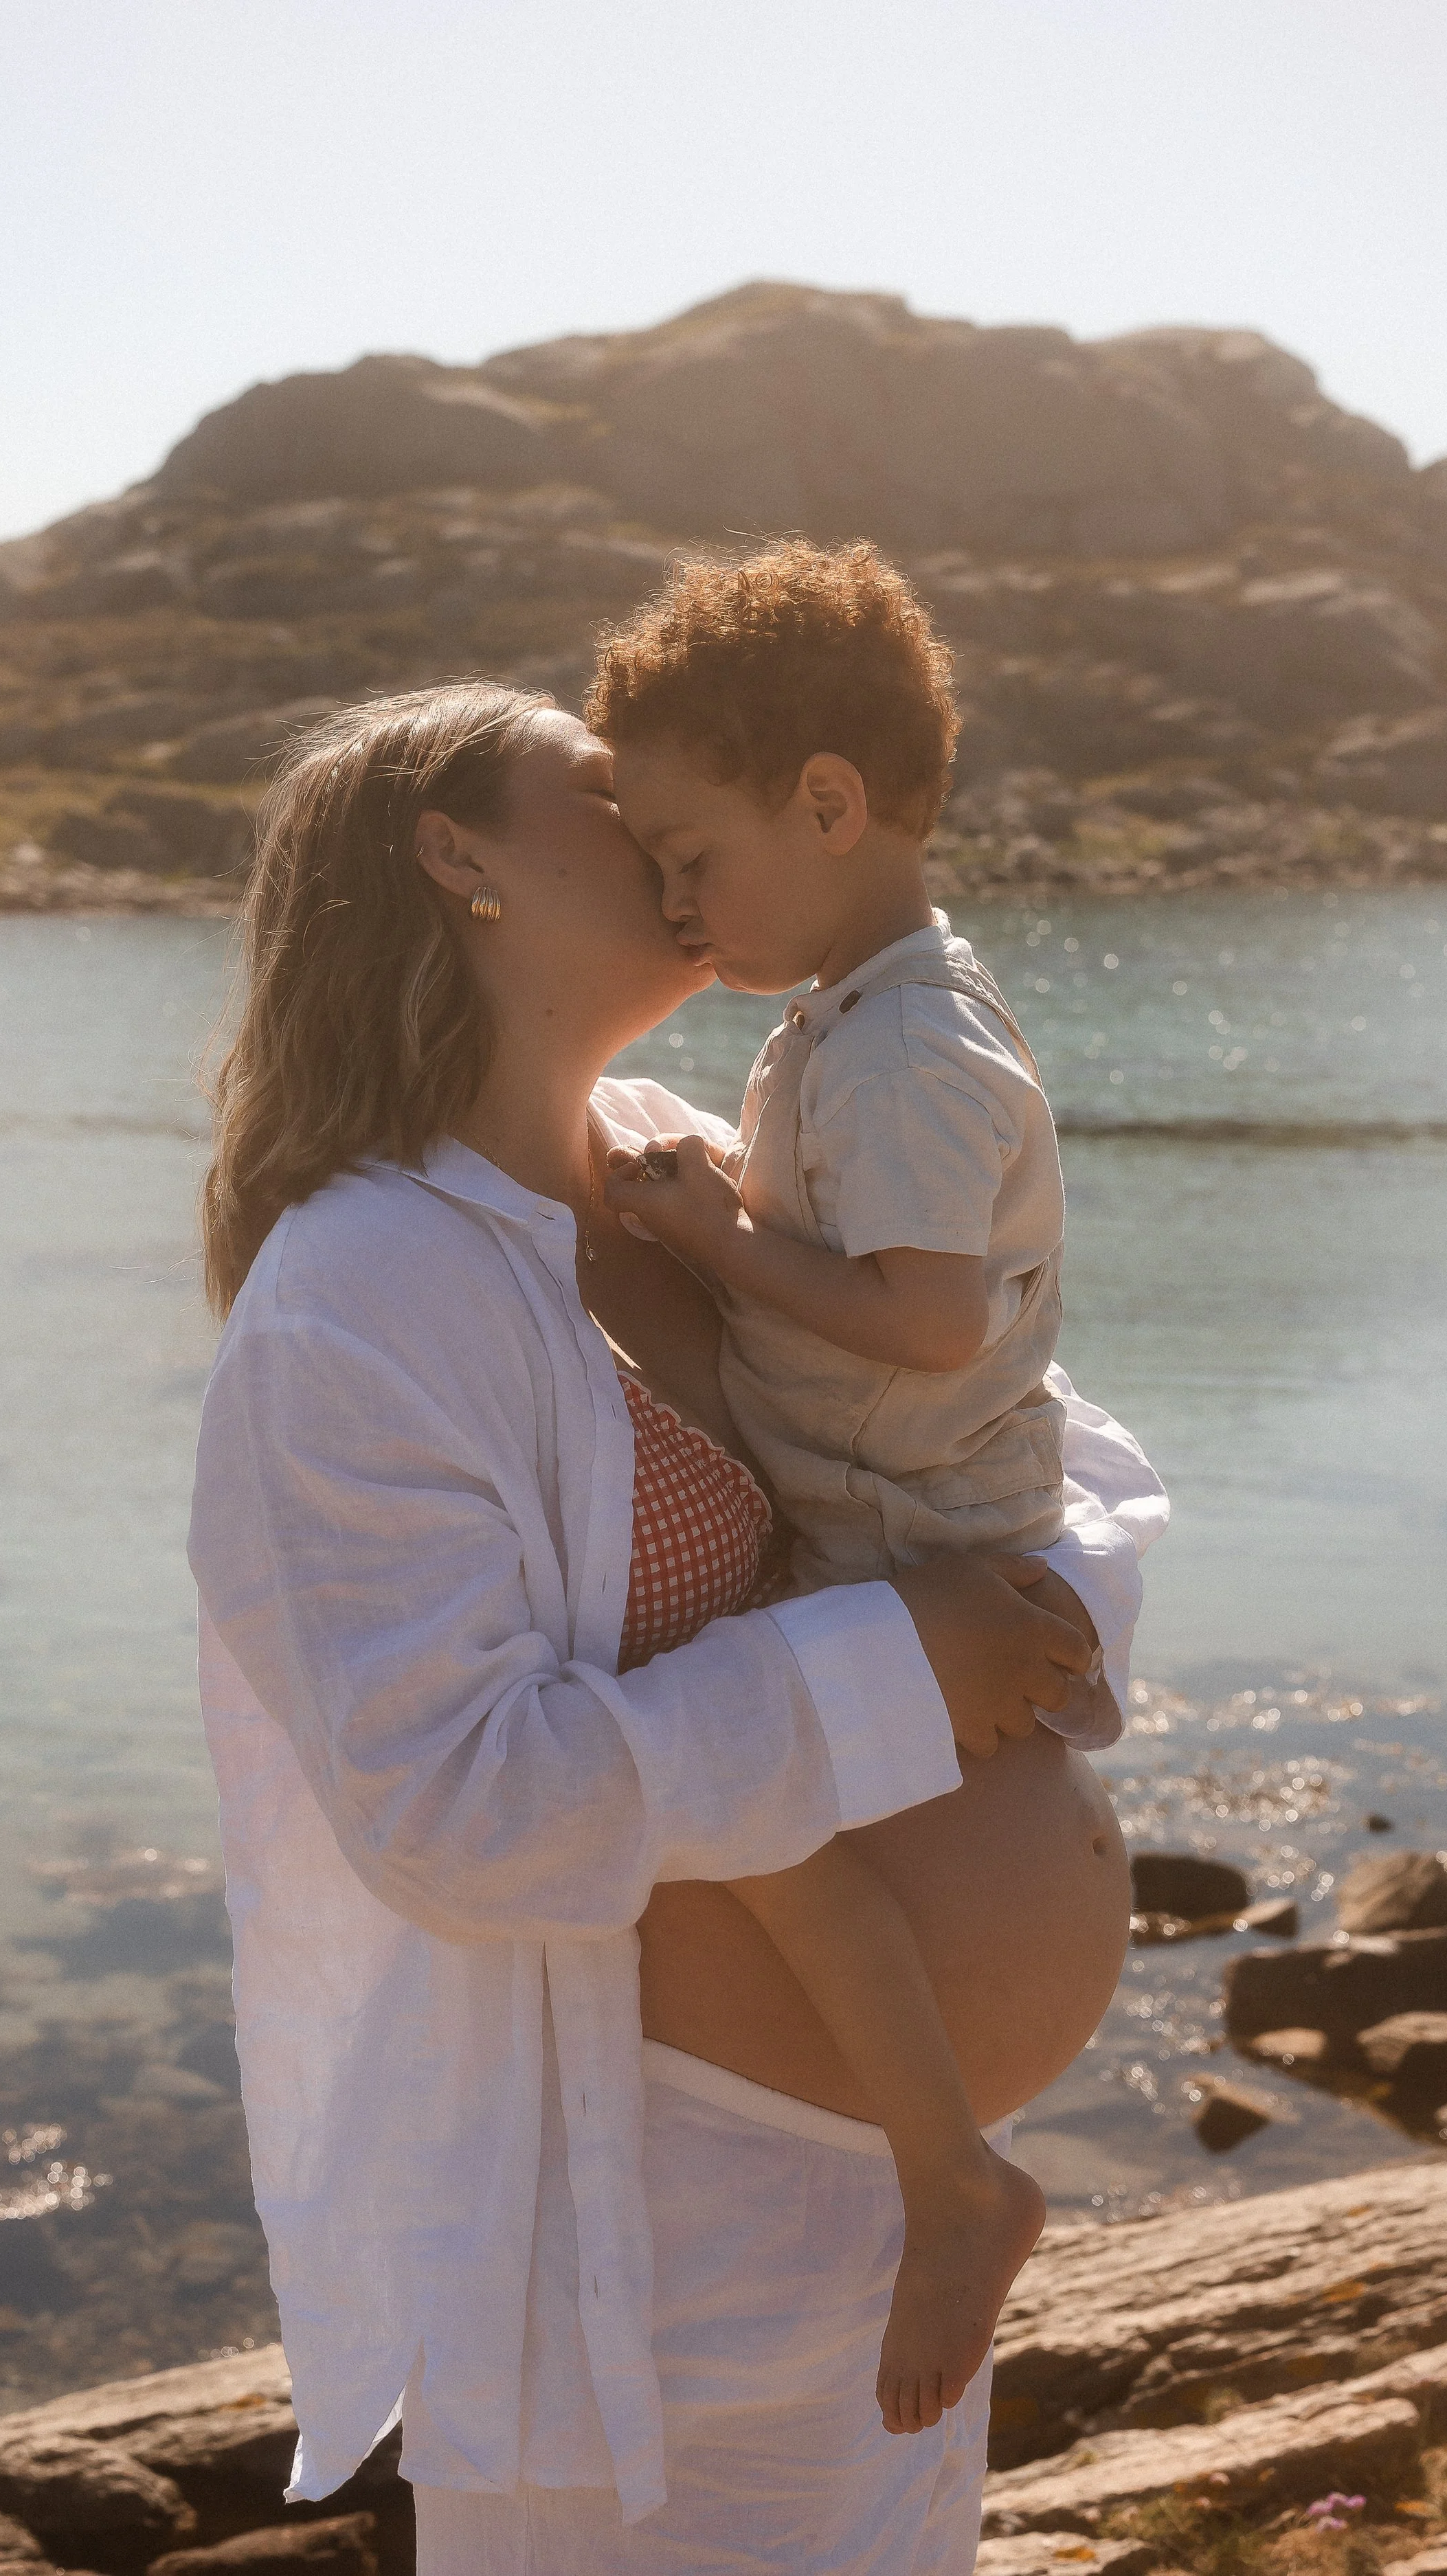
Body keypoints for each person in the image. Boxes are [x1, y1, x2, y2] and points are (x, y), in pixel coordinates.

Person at [188, 678, 1167, 2575]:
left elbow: (992, 1421)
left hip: (885, 2221)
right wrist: (905, 1665)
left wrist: (1032, 1633)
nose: (651, 808)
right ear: (458, 858)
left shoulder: (661, 1156)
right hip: (663, 2253)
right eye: (593, 783)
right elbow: (457, 1810)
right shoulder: (357, 1296)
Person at [591, 540, 1090, 2434]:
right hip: (875, 1485)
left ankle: (950, 2175)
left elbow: (930, 1320)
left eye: (689, 857)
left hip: (899, 1528)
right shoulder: (870, 1015)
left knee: (753, 1817)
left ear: (825, 801)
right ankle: (947, 2167)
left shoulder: (901, 1052)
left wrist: (713, 1239)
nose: (670, 901)